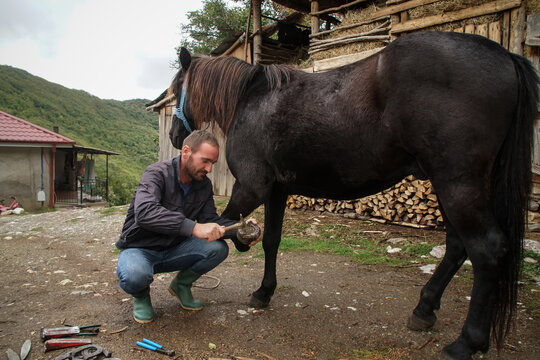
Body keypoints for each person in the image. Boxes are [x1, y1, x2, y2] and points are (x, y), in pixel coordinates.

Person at [115, 130, 260, 324]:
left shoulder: (203, 185)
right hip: (140, 249)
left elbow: (211, 220)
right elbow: (145, 213)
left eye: (213, 164)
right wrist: (193, 228)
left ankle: (181, 285)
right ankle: (141, 296)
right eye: (205, 161)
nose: (209, 169)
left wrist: (241, 228)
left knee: (217, 249)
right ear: (186, 152)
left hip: (175, 249)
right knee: (135, 275)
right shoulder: (156, 173)